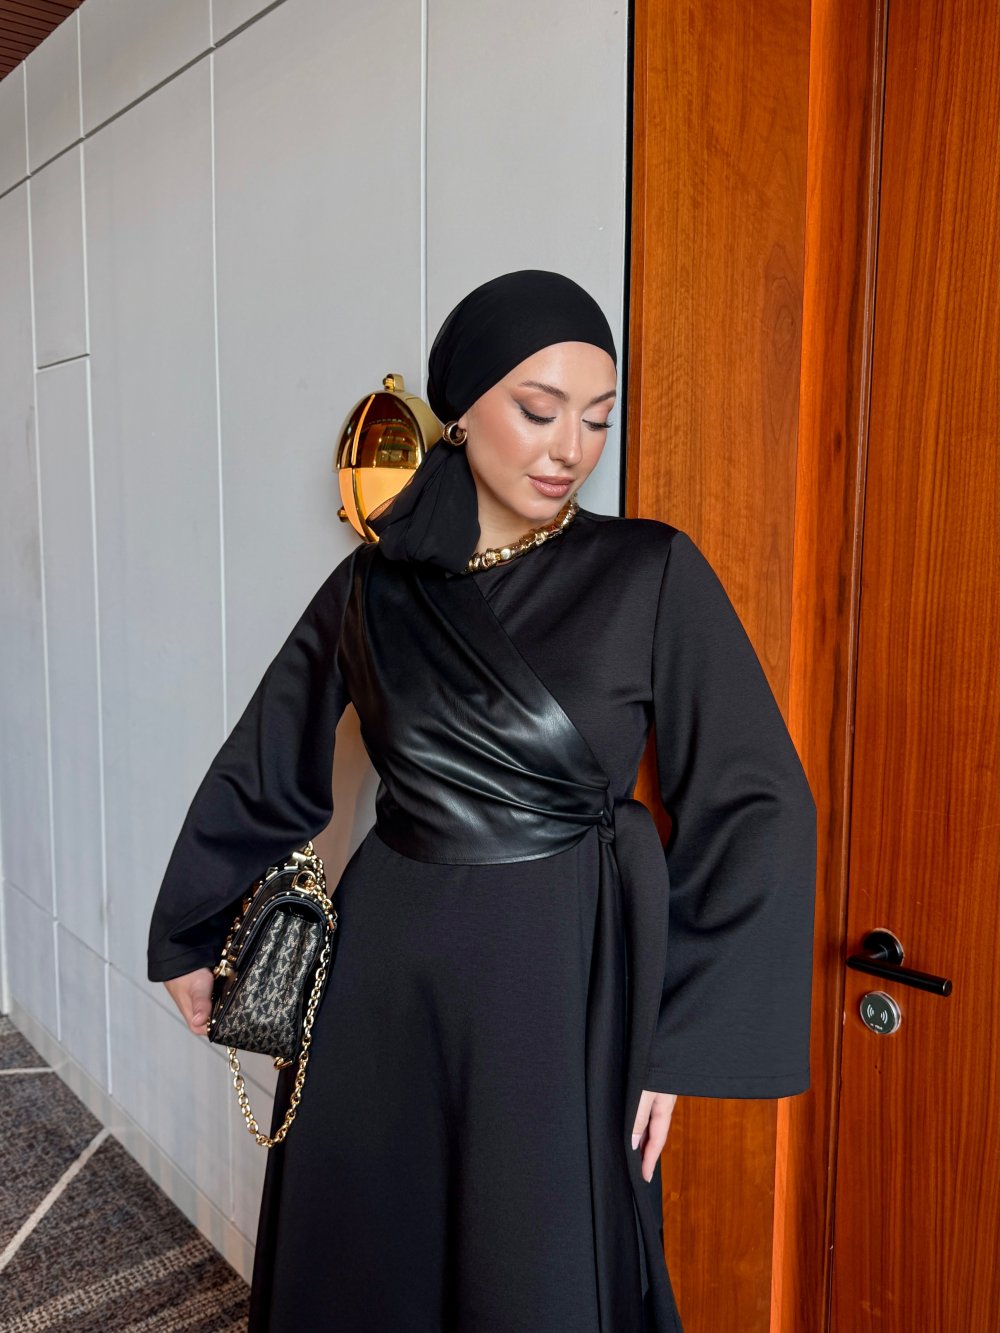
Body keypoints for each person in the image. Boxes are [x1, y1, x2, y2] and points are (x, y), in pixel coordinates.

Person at [147, 270, 817, 1333]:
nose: (570, 448)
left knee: (534, 1262)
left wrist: (679, 1035)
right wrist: (190, 929)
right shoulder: (372, 586)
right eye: (539, 410)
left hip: (561, 973)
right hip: (382, 973)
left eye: (597, 418)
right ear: (459, 412)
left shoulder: (649, 570)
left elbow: (756, 798)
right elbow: (269, 756)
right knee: (371, 1253)